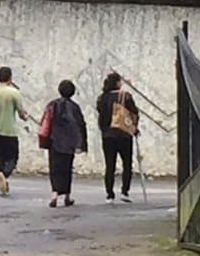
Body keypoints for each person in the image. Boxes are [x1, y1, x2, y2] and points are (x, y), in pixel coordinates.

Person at [0, 66, 29, 195]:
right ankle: (4, 175)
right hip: (9, 131)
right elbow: (21, 113)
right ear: (10, 78)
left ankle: (2, 181)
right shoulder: (14, 93)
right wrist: (26, 116)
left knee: (0, 158)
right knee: (13, 158)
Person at [96, 71, 140, 203]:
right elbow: (134, 113)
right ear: (117, 83)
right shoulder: (125, 96)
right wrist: (134, 128)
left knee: (110, 165)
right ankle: (125, 191)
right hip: (124, 134)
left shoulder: (102, 98)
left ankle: (109, 194)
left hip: (108, 135)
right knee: (127, 164)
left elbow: (101, 114)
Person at [44, 80, 88, 208]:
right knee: (67, 169)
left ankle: (54, 194)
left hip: (54, 141)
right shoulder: (75, 107)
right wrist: (82, 144)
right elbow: (80, 125)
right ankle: (67, 196)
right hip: (69, 143)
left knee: (54, 168)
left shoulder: (52, 105)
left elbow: (46, 122)